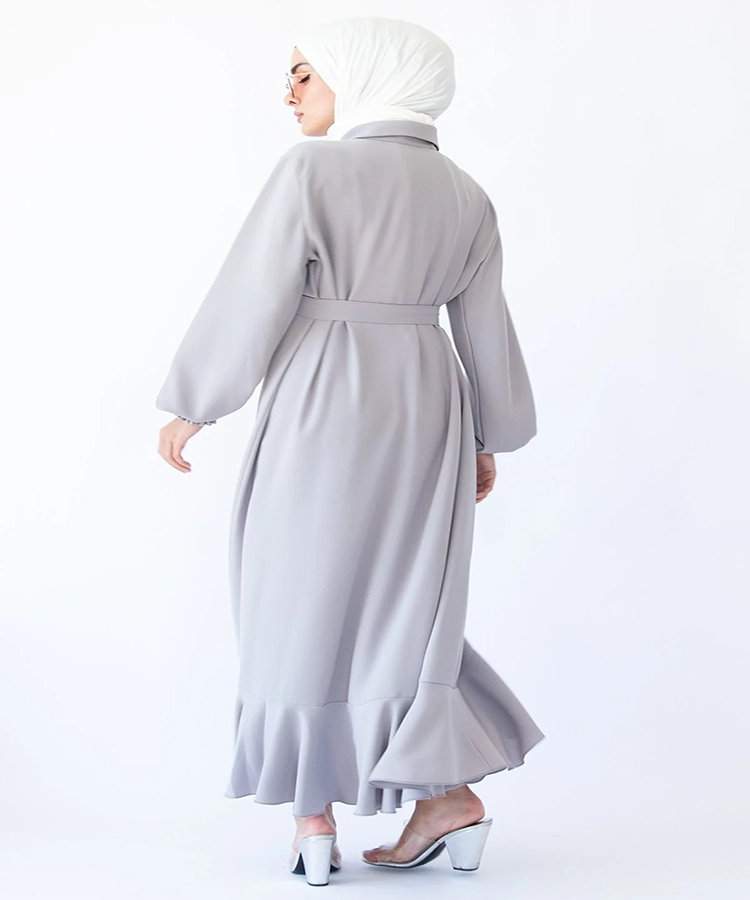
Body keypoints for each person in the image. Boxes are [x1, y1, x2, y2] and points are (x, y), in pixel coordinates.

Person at [156, 15, 545, 887]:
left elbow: (253, 291)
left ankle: (312, 820)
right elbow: (485, 327)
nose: (288, 93)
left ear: (363, 73)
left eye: (304, 73)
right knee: (406, 608)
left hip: (326, 397)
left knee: (295, 590)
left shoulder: (313, 170)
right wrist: (487, 437)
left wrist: (195, 401)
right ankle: (446, 800)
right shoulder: (466, 194)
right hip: (428, 408)